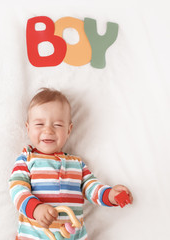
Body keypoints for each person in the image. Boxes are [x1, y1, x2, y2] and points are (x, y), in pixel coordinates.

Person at [9, 88, 133, 240]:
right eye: (40, 124)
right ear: (28, 129)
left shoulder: (77, 165)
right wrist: (36, 209)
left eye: (58, 125)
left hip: (73, 235)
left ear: (69, 130)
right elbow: (17, 190)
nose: (48, 129)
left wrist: (110, 195)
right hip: (34, 235)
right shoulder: (27, 160)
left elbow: (92, 188)